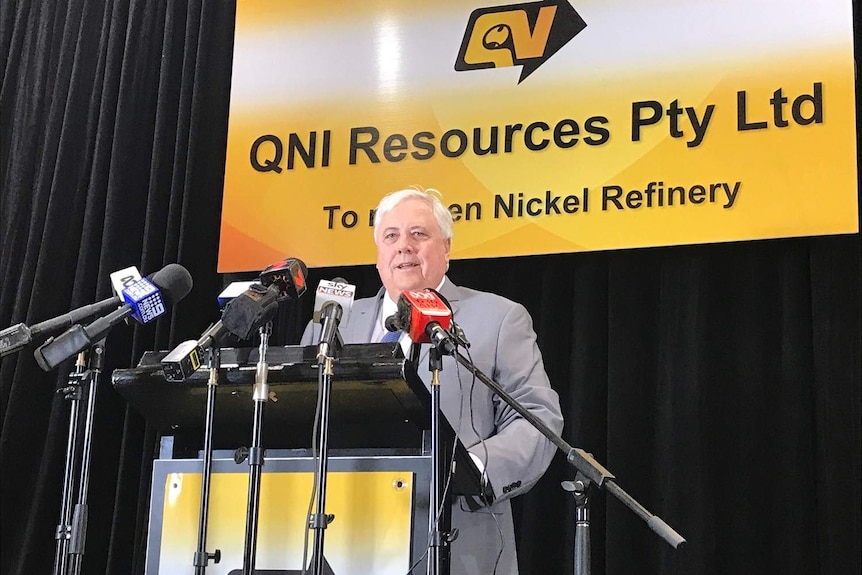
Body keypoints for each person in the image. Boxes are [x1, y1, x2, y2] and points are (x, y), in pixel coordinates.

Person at [301, 187, 563, 575]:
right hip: (337, 543)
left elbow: (537, 419)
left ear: (447, 248)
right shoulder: (332, 324)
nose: (404, 246)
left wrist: (468, 471)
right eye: (391, 236)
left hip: (453, 540)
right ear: (378, 255)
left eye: (418, 234)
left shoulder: (498, 317)